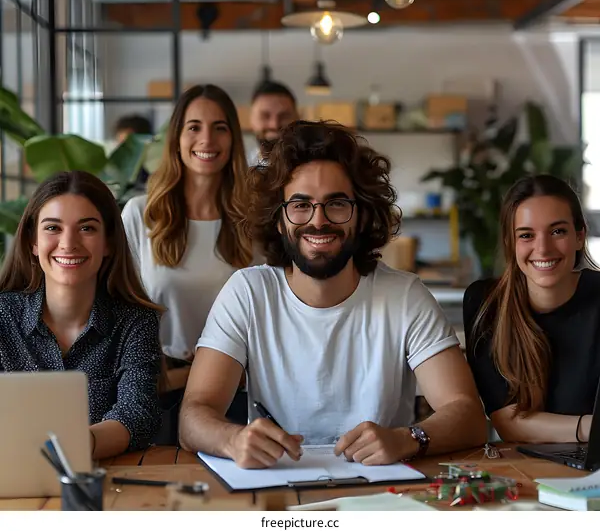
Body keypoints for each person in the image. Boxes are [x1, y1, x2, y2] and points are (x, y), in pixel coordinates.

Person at [179, 120, 487, 468]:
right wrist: (232, 439)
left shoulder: (405, 296)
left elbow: (468, 414)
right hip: (275, 493)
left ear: (361, 214)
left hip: (381, 496)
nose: (319, 220)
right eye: (300, 205)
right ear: (279, 220)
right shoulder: (248, 293)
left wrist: (407, 438)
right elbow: (192, 418)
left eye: (337, 204)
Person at [0, 171, 163, 460]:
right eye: (53, 228)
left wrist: (77, 444)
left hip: (106, 486)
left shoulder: (135, 322)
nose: (69, 243)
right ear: (32, 243)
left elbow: (138, 414)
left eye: (87, 229)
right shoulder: (3, 316)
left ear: (108, 243)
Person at [121, 84, 254, 435]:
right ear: (176, 138)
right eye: (194, 127)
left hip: (236, 389)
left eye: (219, 127)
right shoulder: (141, 214)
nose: (206, 139)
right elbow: (121, 307)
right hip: (159, 385)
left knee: (232, 486)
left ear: (233, 139)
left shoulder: (252, 222)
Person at [464, 174, 600, 444]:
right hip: (523, 469)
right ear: (510, 243)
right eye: (526, 235)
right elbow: (509, 423)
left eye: (558, 231)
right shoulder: (486, 303)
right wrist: (594, 429)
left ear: (579, 236)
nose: (543, 248)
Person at [247, 80, 298, 166]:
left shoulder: (314, 169)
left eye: (284, 116)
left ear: (297, 119)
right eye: (265, 116)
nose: (274, 125)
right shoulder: (239, 169)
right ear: (251, 120)